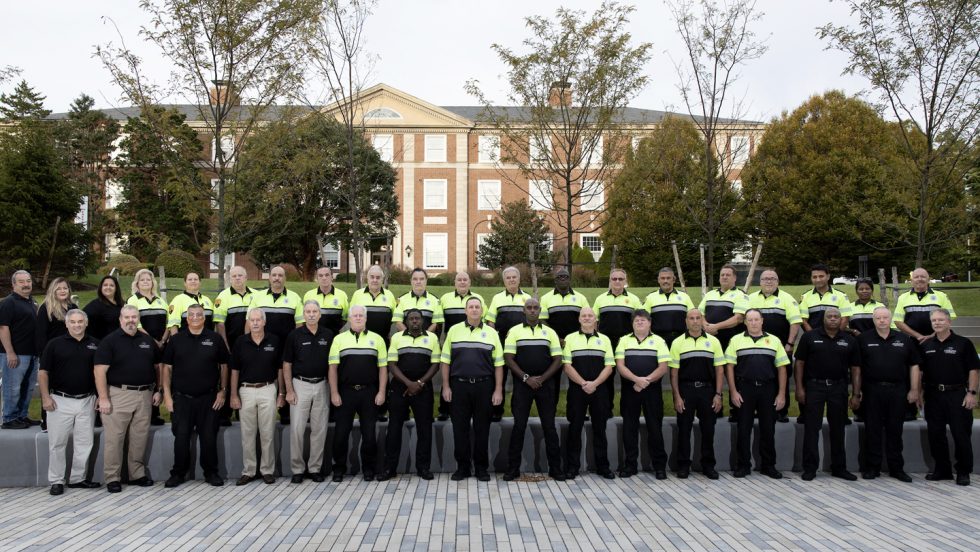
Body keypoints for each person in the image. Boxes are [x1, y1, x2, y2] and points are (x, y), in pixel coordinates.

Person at [94, 305, 162, 493]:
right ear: (120, 319)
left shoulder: (147, 340)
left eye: (134, 317)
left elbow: (158, 367)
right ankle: (112, 477)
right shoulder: (110, 342)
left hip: (145, 394)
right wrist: (103, 398)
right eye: (127, 317)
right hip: (118, 395)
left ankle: (136, 474)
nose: (130, 320)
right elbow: (99, 372)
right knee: (115, 439)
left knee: (139, 437)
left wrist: (159, 390)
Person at [161, 304, 228, 488]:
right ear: (186, 318)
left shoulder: (214, 339)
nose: (196, 317)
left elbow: (224, 366)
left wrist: (223, 391)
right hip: (182, 398)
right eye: (192, 315)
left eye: (199, 315)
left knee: (208, 436)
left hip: (209, 398)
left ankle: (211, 472)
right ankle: (178, 473)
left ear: (204, 318)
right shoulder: (176, 340)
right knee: (181, 437)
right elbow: (166, 368)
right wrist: (167, 395)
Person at [441, 297, 504, 481]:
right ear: (465, 310)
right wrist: (445, 386)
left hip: (484, 386)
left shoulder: (491, 333)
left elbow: (499, 364)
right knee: (459, 428)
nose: (475, 310)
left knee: (482, 428)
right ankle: (463, 468)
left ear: (482, 310)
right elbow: (445, 361)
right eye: (471, 307)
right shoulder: (454, 330)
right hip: (459, 386)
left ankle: (481, 468)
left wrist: (498, 389)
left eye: (478, 307)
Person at [794, 307, 860, 481]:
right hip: (814, 387)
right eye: (829, 316)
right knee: (811, 429)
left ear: (841, 320)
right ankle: (810, 468)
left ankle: (839, 468)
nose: (832, 319)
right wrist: (799, 389)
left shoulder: (849, 340)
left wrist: (856, 393)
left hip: (838, 388)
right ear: (823, 319)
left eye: (836, 317)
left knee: (838, 429)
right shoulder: (810, 337)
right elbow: (799, 363)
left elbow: (855, 368)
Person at [39, 309, 100, 495]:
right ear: (66, 324)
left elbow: (99, 373)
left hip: (87, 400)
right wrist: (45, 397)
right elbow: (43, 373)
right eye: (73, 322)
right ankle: (56, 480)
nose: (77, 325)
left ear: (86, 323)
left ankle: (77, 479)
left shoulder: (96, 345)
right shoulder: (54, 344)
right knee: (57, 443)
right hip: (59, 400)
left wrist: (99, 396)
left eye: (80, 321)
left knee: (84, 442)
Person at [914, 309, 978, 486]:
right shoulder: (926, 345)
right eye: (934, 320)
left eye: (941, 320)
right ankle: (942, 470)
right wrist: (919, 393)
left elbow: (974, 370)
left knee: (961, 434)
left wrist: (971, 393)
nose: (937, 323)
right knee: (936, 435)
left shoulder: (963, 343)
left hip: (957, 394)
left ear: (949, 322)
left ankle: (963, 471)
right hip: (933, 395)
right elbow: (919, 372)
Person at [502, 298, 564, 482]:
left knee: (549, 427)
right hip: (522, 385)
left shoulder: (550, 332)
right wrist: (526, 378)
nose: (532, 310)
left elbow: (558, 359)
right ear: (524, 310)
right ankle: (513, 469)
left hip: (546, 385)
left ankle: (556, 469)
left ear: (540, 310)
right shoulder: (514, 331)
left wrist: (542, 379)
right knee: (518, 426)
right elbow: (508, 358)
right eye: (529, 307)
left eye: (535, 307)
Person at [857, 306, 919, 482]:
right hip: (872, 390)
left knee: (895, 430)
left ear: (890, 319)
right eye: (878, 318)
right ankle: (872, 467)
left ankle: (896, 468)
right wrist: (857, 391)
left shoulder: (904, 339)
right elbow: (857, 368)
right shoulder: (863, 339)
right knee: (872, 430)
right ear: (873, 320)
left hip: (898, 390)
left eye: (885, 317)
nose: (882, 321)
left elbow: (914, 365)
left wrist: (914, 389)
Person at [726, 309, 789, 479]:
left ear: (762, 321)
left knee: (768, 429)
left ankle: (768, 465)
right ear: (745, 322)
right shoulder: (736, 340)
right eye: (750, 320)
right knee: (743, 429)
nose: (753, 322)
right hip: (744, 389)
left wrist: (782, 394)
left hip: (768, 389)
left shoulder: (774, 340)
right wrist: (733, 391)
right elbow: (729, 367)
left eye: (756, 319)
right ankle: (743, 465)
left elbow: (782, 368)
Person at [328, 304, 387, 482]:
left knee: (369, 434)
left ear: (366, 318)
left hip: (369, 392)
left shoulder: (377, 339)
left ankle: (368, 469)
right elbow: (332, 369)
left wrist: (382, 392)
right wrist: (334, 392)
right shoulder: (339, 339)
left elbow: (383, 369)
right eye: (355, 316)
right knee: (340, 434)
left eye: (361, 315)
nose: (358, 318)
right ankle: (338, 469)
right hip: (346, 392)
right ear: (350, 318)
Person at [379, 308, 440, 481]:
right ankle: (390, 468)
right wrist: (408, 383)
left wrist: (419, 383)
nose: (414, 321)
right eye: (411, 319)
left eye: (417, 318)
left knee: (424, 429)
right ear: (406, 322)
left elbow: (435, 364)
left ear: (422, 321)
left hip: (423, 388)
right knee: (394, 428)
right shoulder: (397, 338)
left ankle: (423, 468)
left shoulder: (432, 338)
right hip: (400, 388)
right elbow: (391, 364)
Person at [894, 267, 957, 422]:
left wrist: (932, 335)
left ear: (928, 279)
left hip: (936, 342)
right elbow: (897, 321)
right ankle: (909, 411)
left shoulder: (941, 296)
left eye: (923, 276)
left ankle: (932, 410)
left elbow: (950, 317)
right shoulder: (903, 298)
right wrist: (918, 336)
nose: (920, 279)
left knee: (933, 374)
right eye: (917, 277)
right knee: (910, 375)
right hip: (911, 342)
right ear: (912, 279)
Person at [669, 308, 725, 480]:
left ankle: (708, 465)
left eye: (698, 318)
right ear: (686, 321)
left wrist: (718, 394)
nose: (694, 321)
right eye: (691, 318)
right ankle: (683, 465)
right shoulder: (678, 342)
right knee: (684, 430)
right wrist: (677, 396)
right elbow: (674, 373)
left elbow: (720, 370)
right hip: (686, 390)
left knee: (708, 430)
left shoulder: (714, 341)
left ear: (703, 320)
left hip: (708, 391)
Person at [229, 308, 283, 486]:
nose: (255, 323)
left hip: (268, 388)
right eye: (252, 320)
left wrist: (281, 393)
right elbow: (234, 370)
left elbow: (280, 369)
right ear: (248, 322)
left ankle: (267, 470)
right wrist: (234, 394)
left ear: (264, 322)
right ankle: (249, 471)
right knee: (248, 434)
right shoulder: (240, 342)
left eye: (258, 319)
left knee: (267, 433)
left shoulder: (274, 340)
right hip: (245, 391)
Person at [282, 300, 334, 484]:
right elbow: (287, 364)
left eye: (314, 311)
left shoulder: (328, 335)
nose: (311, 314)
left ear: (320, 314)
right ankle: (297, 469)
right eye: (308, 311)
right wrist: (289, 390)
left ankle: (314, 468)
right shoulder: (294, 335)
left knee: (319, 429)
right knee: (297, 429)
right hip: (300, 385)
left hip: (322, 385)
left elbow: (332, 365)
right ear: (303, 314)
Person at [615, 309, 670, 479]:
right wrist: (636, 380)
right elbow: (620, 366)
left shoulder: (659, 341)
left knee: (655, 428)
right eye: (636, 320)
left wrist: (645, 381)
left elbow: (663, 367)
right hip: (630, 390)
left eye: (643, 320)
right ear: (632, 324)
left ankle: (659, 466)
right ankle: (630, 465)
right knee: (629, 429)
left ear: (649, 323)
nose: (639, 322)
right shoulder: (623, 341)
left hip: (652, 391)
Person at [562, 307, 615, 480]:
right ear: (579, 319)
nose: (586, 318)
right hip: (578, 390)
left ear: (596, 319)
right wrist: (584, 383)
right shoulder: (570, 339)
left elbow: (609, 366)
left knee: (600, 429)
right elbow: (567, 366)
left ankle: (603, 466)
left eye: (590, 316)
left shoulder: (605, 339)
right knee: (574, 428)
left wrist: (595, 384)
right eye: (583, 316)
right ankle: (572, 467)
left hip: (599, 390)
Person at [747, 269, 802, 423]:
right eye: (765, 279)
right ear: (760, 282)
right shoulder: (751, 299)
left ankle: (781, 411)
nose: (769, 281)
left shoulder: (787, 298)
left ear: (778, 282)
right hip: (756, 349)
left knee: (781, 379)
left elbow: (795, 322)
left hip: (781, 349)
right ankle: (760, 409)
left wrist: (790, 344)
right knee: (760, 378)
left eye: (772, 278)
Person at [250, 266, 303, 425]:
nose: (277, 278)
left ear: (285, 278)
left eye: (280, 275)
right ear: (269, 277)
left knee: (287, 378)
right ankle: (262, 412)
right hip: (264, 346)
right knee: (266, 377)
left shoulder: (294, 298)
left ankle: (285, 412)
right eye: (274, 275)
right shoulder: (258, 297)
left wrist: (295, 345)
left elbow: (299, 324)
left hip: (287, 345)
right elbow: (251, 320)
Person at [437, 271, 485, 421]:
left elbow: (484, 321)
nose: (462, 282)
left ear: (470, 282)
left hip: (472, 343)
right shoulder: (445, 298)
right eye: (459, 280)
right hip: (453, 342)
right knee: (448, 375)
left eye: (465, 279)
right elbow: (439, 322)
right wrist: (439, 340)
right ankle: (444, 409)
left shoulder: (478, 299)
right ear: (455, 283)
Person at [593, 268, 642, 411]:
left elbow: (640, 321)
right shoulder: (600, 299)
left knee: (628, 378)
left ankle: (628, 410)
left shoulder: (633, 299)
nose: (617, 281)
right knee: (606, 378)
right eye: (614, 279)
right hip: (606, 345)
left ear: (625, 281)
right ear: (610, 281)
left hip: (627, 345)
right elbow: (594, 322)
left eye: (620, 279)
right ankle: (606, 409)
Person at [486, 266, 531, 421]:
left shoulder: (527, 298)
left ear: (519, 279)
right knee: (500, 378)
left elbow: (532, 320)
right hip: (502, 346)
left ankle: (518, 412)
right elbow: (490, 321)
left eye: (514, 277)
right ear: (504, 280)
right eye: (508, 277)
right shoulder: (497, 298)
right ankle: (497, 411)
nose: (511, 280)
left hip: (521, 348)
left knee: (520, 380)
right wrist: (495, 341)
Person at [540, 268, 589, 407]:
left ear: (569, 279)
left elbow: (586, 319)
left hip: (576, 345)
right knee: (552, 381)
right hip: (554, 345)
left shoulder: (581, 298)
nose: (562, 278)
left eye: (565, 276)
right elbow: (543, 321)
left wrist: (572, 340)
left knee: (578, 378)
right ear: (555, 280)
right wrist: (557, 339)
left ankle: (579, 409)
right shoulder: (546, 298)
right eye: (559, 276)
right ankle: (551, 411)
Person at [213, 265, 254, 426]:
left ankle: (241, 413)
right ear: (230, 278)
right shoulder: (223, 296)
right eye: (234, 276)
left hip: (250, 346)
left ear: (246, 277)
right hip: (230, 345)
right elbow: (220, 324)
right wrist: (225, 345)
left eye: (240, 275)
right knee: (228, 379)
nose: (237, 278)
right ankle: (225, 415)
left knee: (245, 378)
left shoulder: (255, 296)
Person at [127, 268, 169, 426]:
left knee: (159, 376)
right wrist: (152, 340)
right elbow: (135, 324)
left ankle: (156, 412)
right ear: (137, 283)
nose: (146, 282)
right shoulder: (133, 300)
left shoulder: (160, 300)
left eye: (148, 279)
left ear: (153, 283)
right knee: (148, 376)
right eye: (142, 279)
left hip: (161, 343)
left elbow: (169, 323)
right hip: (143, 344)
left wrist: (163, 340)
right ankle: (146, 414)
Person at [36, 278, 78, 430]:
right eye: (58, 288)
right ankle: (46, 420)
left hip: (71, 355)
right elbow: (40, 336)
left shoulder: (73, 307)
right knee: (49, 387)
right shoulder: (46, 308)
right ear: (53, 290)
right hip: (52, 355)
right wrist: (44, 356)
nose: (62, 291)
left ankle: (68, 419)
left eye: (65, 288)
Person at [2, 270, 40, 429]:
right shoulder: (8, 303)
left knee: (27, 387)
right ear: (14, 285)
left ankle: (22, 416)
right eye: (21, 282)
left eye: (28, 281)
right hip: (15, 354)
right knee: (13, 387)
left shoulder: (31, 302)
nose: (26, 284)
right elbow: (3, 328)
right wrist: (10, 352)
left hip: (32, 354)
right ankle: (9, 419)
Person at [699, 264, 749, 351]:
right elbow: (700, 313)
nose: (724, 277)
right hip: (708, 340)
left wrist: (716, 327)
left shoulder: (741, 295)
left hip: (729, 342)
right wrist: (706, 325)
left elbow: (738, 318)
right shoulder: (710, 294)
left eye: (728, 275)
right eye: (722, 275)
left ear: (735, 278)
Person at [643, 267, 695, 348]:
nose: (665, 281)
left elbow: (693, 317)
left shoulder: (684, 296)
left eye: (668, 278)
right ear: (658, 280)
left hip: (681, 340)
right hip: (658, 341)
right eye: (662, 278)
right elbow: (644, 319)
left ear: (673, 280)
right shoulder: (650, 297)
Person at [349, 265, 398, 344]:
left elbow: (395, 321)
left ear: (382, 279)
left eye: (378, 277)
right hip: (361, 343)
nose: (375, 280)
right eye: (372, 277)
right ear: (367, 278)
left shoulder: (389, 295)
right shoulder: (357, 295)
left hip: (383, 342)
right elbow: (351, 319)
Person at [393, 268, 444, 332]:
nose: (418, 282)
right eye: (415, 279)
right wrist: (409, 336)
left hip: (426, 340)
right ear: (411, 281)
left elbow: (436, 323)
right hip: (406, 341)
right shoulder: (401, 299)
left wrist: (423, 338)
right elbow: (398, 322)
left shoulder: (435, 300)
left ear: (426, 281)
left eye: (421, 279)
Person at [303, 266, 349, 335]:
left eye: (327, 275)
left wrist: (341, 335)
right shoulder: (308, 295)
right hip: (314, 338)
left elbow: (347, 319)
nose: (324, 278)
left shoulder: (342, 295)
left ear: (332, 277)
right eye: (320, 276)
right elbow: (304, 319)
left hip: (335, 339)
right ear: (317, 278)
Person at [166, 272, 215, 336]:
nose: (193, 281)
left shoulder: (207, 300)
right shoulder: (178, 300)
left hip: (206, 341)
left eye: (195, 279)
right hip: (186, 341)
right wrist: (177, 343)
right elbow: (173, 325)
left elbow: (213, 323)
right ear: (185, 283)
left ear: (200, 282)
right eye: (190, 279)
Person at [83, 275, 123, 339]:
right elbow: (82, 319)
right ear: (101, 287)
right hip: (102, 343)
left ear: (116, 288)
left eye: (111, 285)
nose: (108, 287)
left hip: (118, 341)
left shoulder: (121, 304)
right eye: (105, 285)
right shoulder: (95, 305)